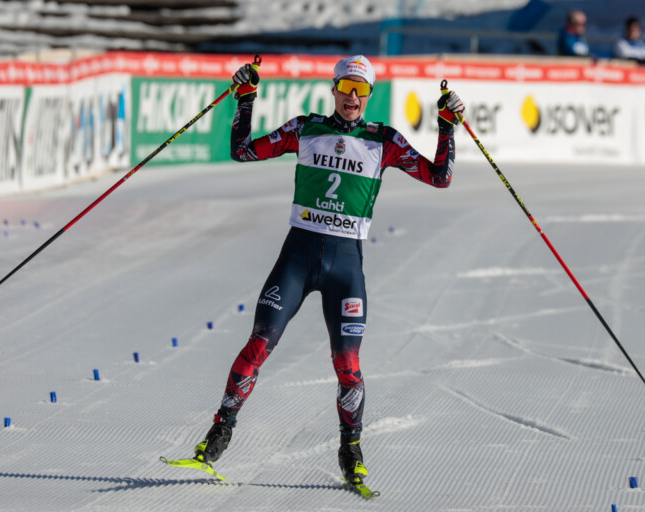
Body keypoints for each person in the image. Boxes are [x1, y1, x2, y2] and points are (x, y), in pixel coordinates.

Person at [188, 55, 464, 488]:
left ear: (369, 95)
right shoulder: (305, 128)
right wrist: (245, 99)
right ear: (333, 88)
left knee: (348, 364)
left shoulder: (384, 141)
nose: (353, 98)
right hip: (297, 259)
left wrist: (447, 126)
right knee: (259, 344)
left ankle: (351, 453)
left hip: (345, 268)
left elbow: (439, 177)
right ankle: (217, 436)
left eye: (362, 90)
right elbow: (242, 151)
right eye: (346, 88)